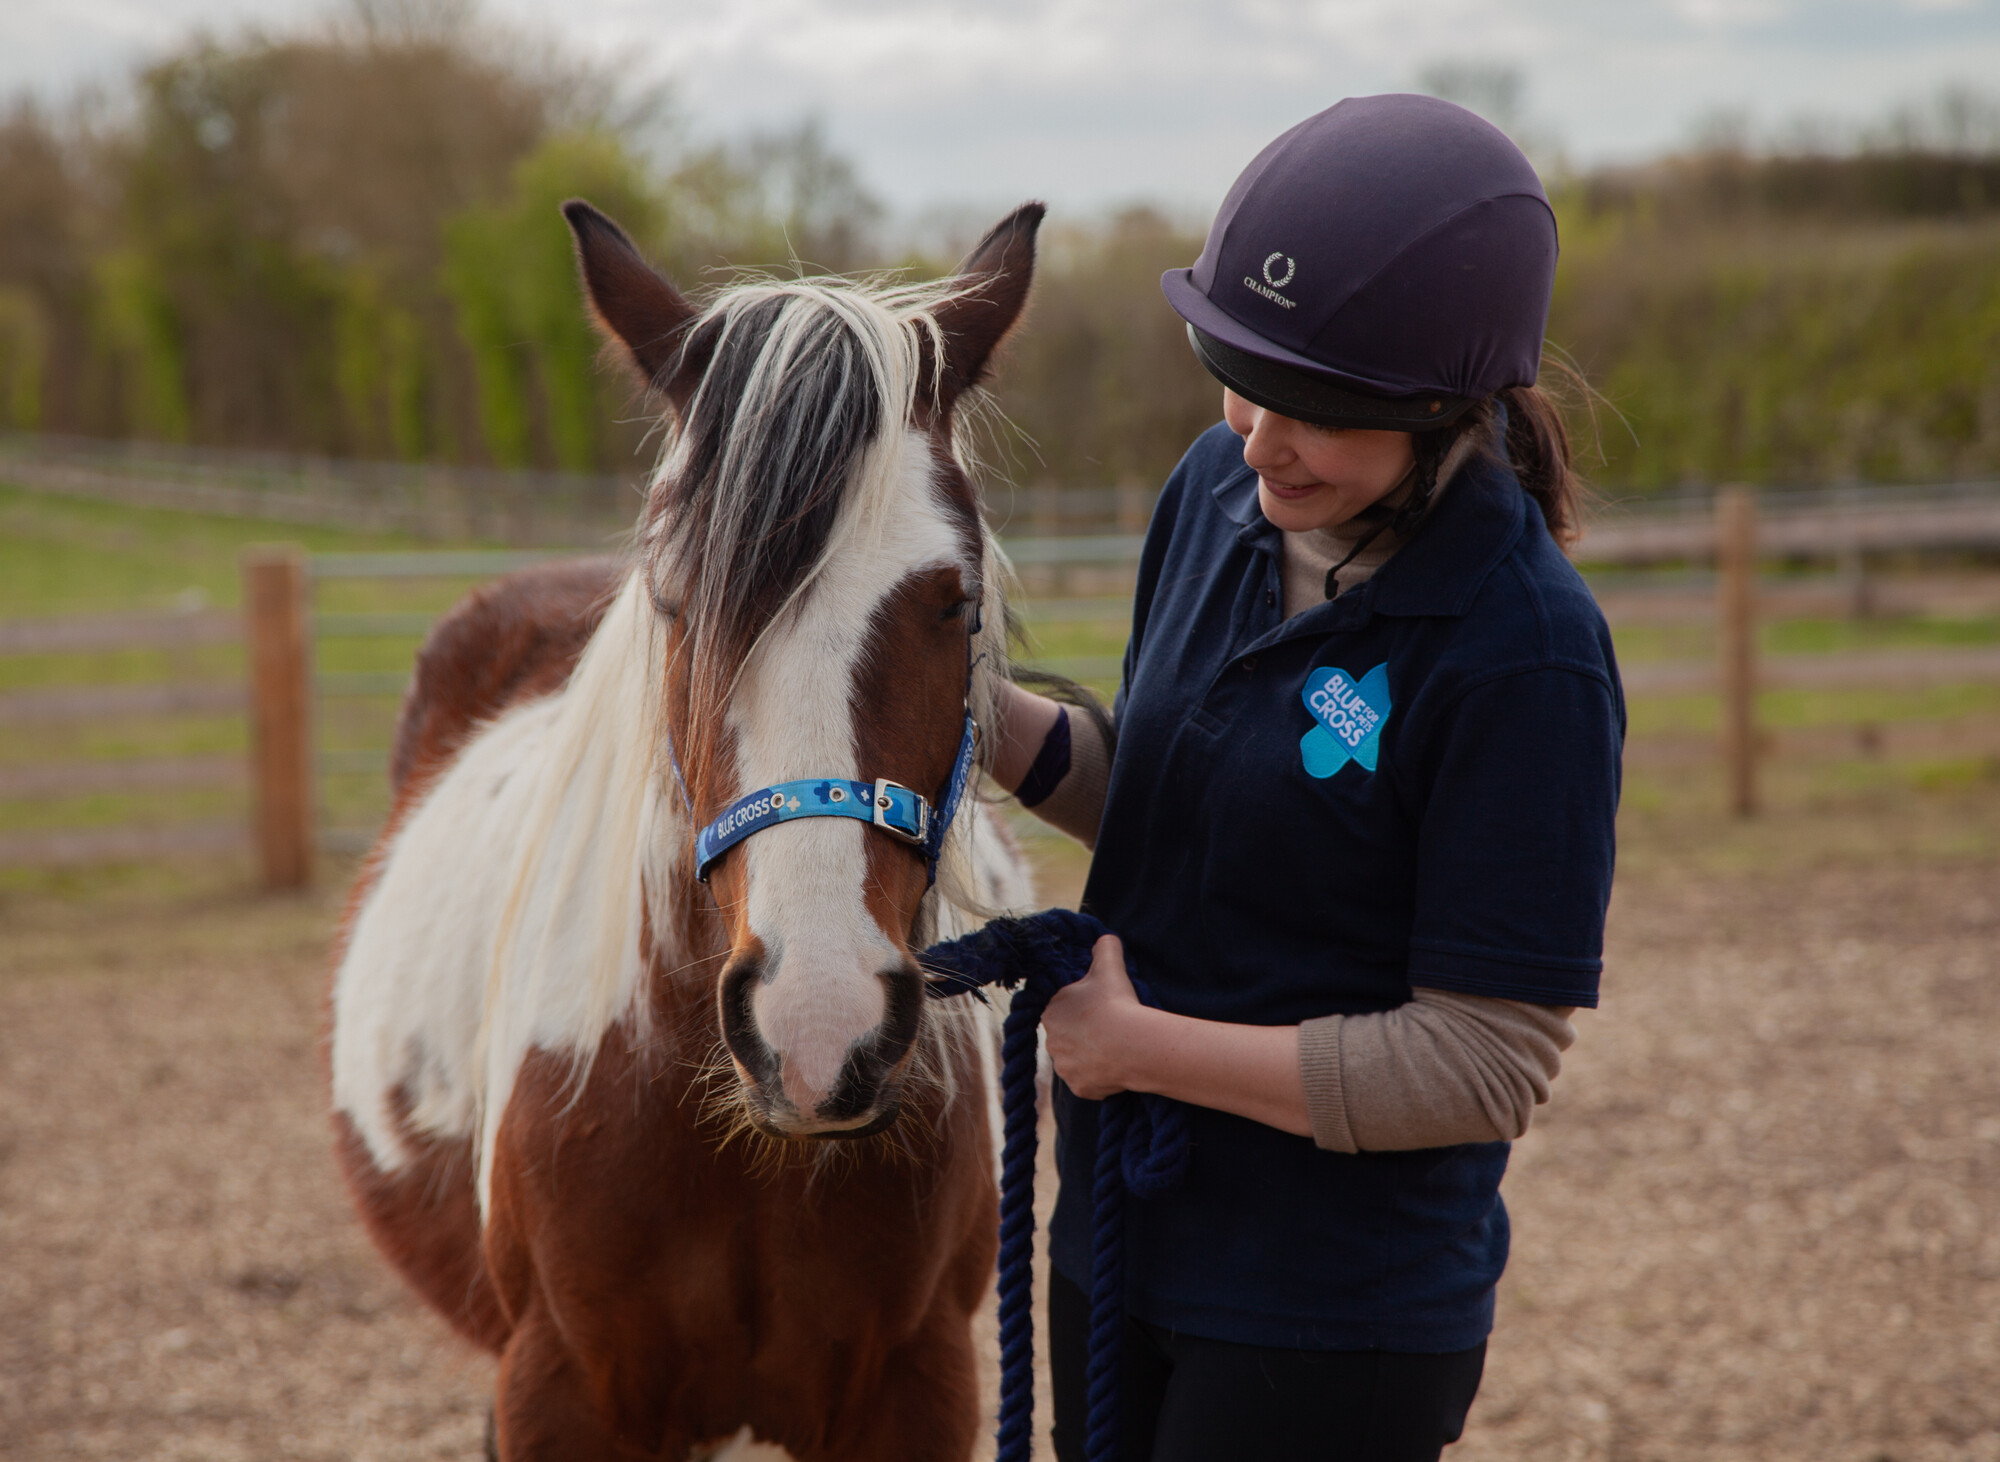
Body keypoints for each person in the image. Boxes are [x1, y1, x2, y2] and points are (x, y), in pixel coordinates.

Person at [986, 94, 1625, 1462]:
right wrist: (989, 723)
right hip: (1119, 1229)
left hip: (1327, 1311)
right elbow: (1180, 799)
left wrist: (1139, 1048)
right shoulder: (1214, 496)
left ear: (1447, 405)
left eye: (1314, 412)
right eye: (1238, 376)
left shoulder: (1525, 652)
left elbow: (1481, 1058)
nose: (1257, 434)